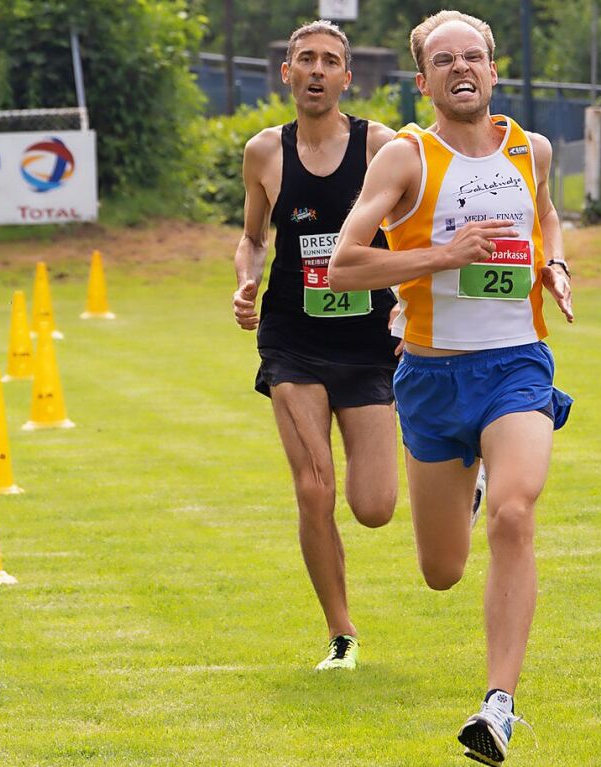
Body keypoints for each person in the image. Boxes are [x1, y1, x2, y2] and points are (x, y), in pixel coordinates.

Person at [330, 10, 574, 764]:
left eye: (475, 57)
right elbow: (343, 265)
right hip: (433, 376)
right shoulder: (406, 159)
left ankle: (498, 705)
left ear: (494, 72)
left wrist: (555, 263)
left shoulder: (529, 150)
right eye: (445, 60)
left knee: (514, 510)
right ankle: (461, 490)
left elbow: (547, 218)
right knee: (442, 571)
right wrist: (440, 257)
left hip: (515, 365)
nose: (462, 68)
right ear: (424, 80)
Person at [231, 20, 400, 671]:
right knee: (313, 487)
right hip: (292, 341)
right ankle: (341, 632)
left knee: (375, 506)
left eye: (331, 60)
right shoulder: (264, 154)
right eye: (306, 59)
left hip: (368, 340)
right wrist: (245, 280)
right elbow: (252, 237)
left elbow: (411, 232)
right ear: (287, 71)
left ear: (347, 78)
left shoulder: (380, 145)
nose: (318, 70)